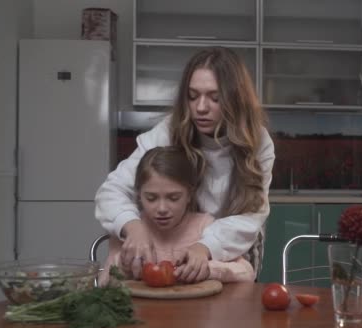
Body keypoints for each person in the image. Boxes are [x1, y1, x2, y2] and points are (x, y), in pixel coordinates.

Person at [95, 46, 274, 283]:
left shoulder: (258, 141)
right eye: (192, 96)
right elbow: (112, 190)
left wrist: (205, 247)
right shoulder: (169, 131)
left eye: (215, 98)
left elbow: (251, 215)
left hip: (232, 245)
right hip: (176, 240)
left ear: (235, 99)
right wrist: (133, 226)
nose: (200, 107)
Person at [99, 146, 255, 286]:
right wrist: (122, 267)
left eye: (174, 198)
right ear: (139, 195)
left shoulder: (204, 226)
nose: (162, 209)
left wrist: (208, 269)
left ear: (189, 195)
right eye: (151, 198)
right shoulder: (129, 231)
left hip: (194, 315)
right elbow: (104, 283)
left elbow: (247, 273)